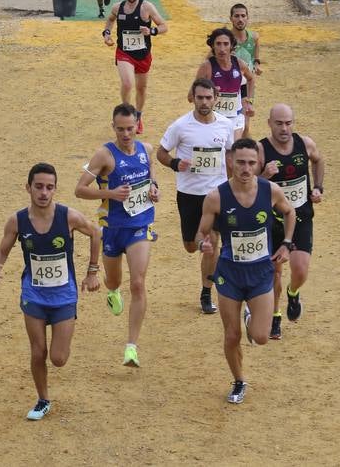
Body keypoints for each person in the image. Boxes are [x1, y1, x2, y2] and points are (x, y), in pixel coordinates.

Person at [0, 162, 101, 421]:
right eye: (38, 186)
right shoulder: (17, 221)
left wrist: (92, 271)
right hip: (34, 295)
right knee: (38, 351)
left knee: (59, 358)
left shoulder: (68, 217)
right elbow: (2, 250)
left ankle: (61, 343)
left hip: (64, 296)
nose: (43, 192)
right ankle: (42, 400)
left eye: (49, 187)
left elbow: (96, 233)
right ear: (28, 187)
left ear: (55, 189)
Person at [195, 138, 295, 403]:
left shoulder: (270, 190)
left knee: (261, 337)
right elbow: (201, 233)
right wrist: (203, 244)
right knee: (232, 335)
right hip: (229, 275)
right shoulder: (216, 197)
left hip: (261, 273)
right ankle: (239, 381)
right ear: (230, 161)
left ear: (258, 163)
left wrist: (286, 244)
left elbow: (290, 212)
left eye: (251, 163)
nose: (246, 169)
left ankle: (251, 319)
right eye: (240, 162)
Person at [75, 104, 159, 367]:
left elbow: (152, 172)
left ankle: (131, 347)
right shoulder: (104, 155)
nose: (126, 134)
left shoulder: (146, 150)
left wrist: (154, 188)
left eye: (130, 128)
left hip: (139, 226)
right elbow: (80, 189)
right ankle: (112, 291)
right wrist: (110, 194)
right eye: (120, 129)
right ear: (113, 127)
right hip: (112, 229)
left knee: (138, 283)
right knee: (114, 280)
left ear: (137, 126)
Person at [157, 78, 234, 314]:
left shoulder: (225, 125)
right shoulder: (180, 126)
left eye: (208, 98)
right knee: (192, 246)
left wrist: (231, 184)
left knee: (212, 242)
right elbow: (161, 153)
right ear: (193, 98)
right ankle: (198, 248)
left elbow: (230, 153)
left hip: (215, 194)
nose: (204, 102)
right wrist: (175, 163)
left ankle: (206, 292)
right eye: (200, 97)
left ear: (216, 98)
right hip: (189, 194)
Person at [257, 105, 325, 341]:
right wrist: (264, 176)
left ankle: (293, 292)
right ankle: (275, 315)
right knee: (275, 272)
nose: (284, 128)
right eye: (279, 123)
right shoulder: (261, 150)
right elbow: (246, 184)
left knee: (301, 270)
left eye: (288, 123)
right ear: (269, 123)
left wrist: (318, 187)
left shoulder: (305, 144)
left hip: (301, 216)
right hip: (273, 221)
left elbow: (318, 160)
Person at [102, 0, 167, 134]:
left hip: (143, 55)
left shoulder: (147, 7)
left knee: (141, 88)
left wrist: (151, 31)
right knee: (127, 83)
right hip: (124, 52)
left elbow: (164, 26)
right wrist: (106, 34)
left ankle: (138, 116)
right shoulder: (118, 7)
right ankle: (127, 115)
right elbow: (110, 20)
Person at [191, 27, 255, 140]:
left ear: (232, 46)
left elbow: (251, 79)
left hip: (235, 117)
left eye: (226, 44)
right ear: (212, 46)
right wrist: (209, 92)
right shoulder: (206, 67)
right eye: (218, 44)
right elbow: (190, 97)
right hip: (213, 119)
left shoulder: (240, 64)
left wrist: (249, 101)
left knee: (234, 149)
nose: (222, 49)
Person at [230, 3, 262, 137]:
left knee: (245, 126)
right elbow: (209, 58)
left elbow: (256, 50)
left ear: (247, 18)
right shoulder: (226, 39)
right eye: (236, 16)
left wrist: (256, 63)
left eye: (243, 16)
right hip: (230, 85)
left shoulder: (253, 37)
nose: (240, 19)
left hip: (247, 84)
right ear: (231, 18)